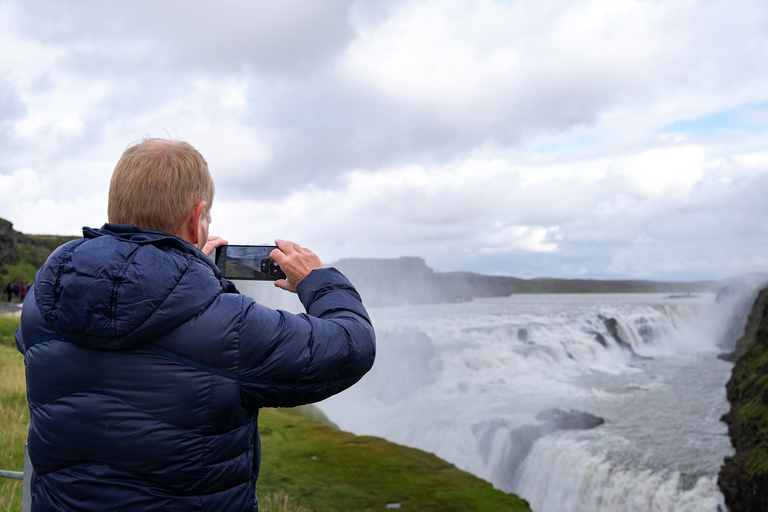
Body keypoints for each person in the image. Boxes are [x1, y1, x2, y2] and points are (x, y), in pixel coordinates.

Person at [15, 137, 376, 511]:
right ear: (196, 217)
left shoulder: (43, 301)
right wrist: (316, 279)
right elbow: (351, 344)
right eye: (207, 219)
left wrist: (184, 271)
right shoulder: (230, 326)